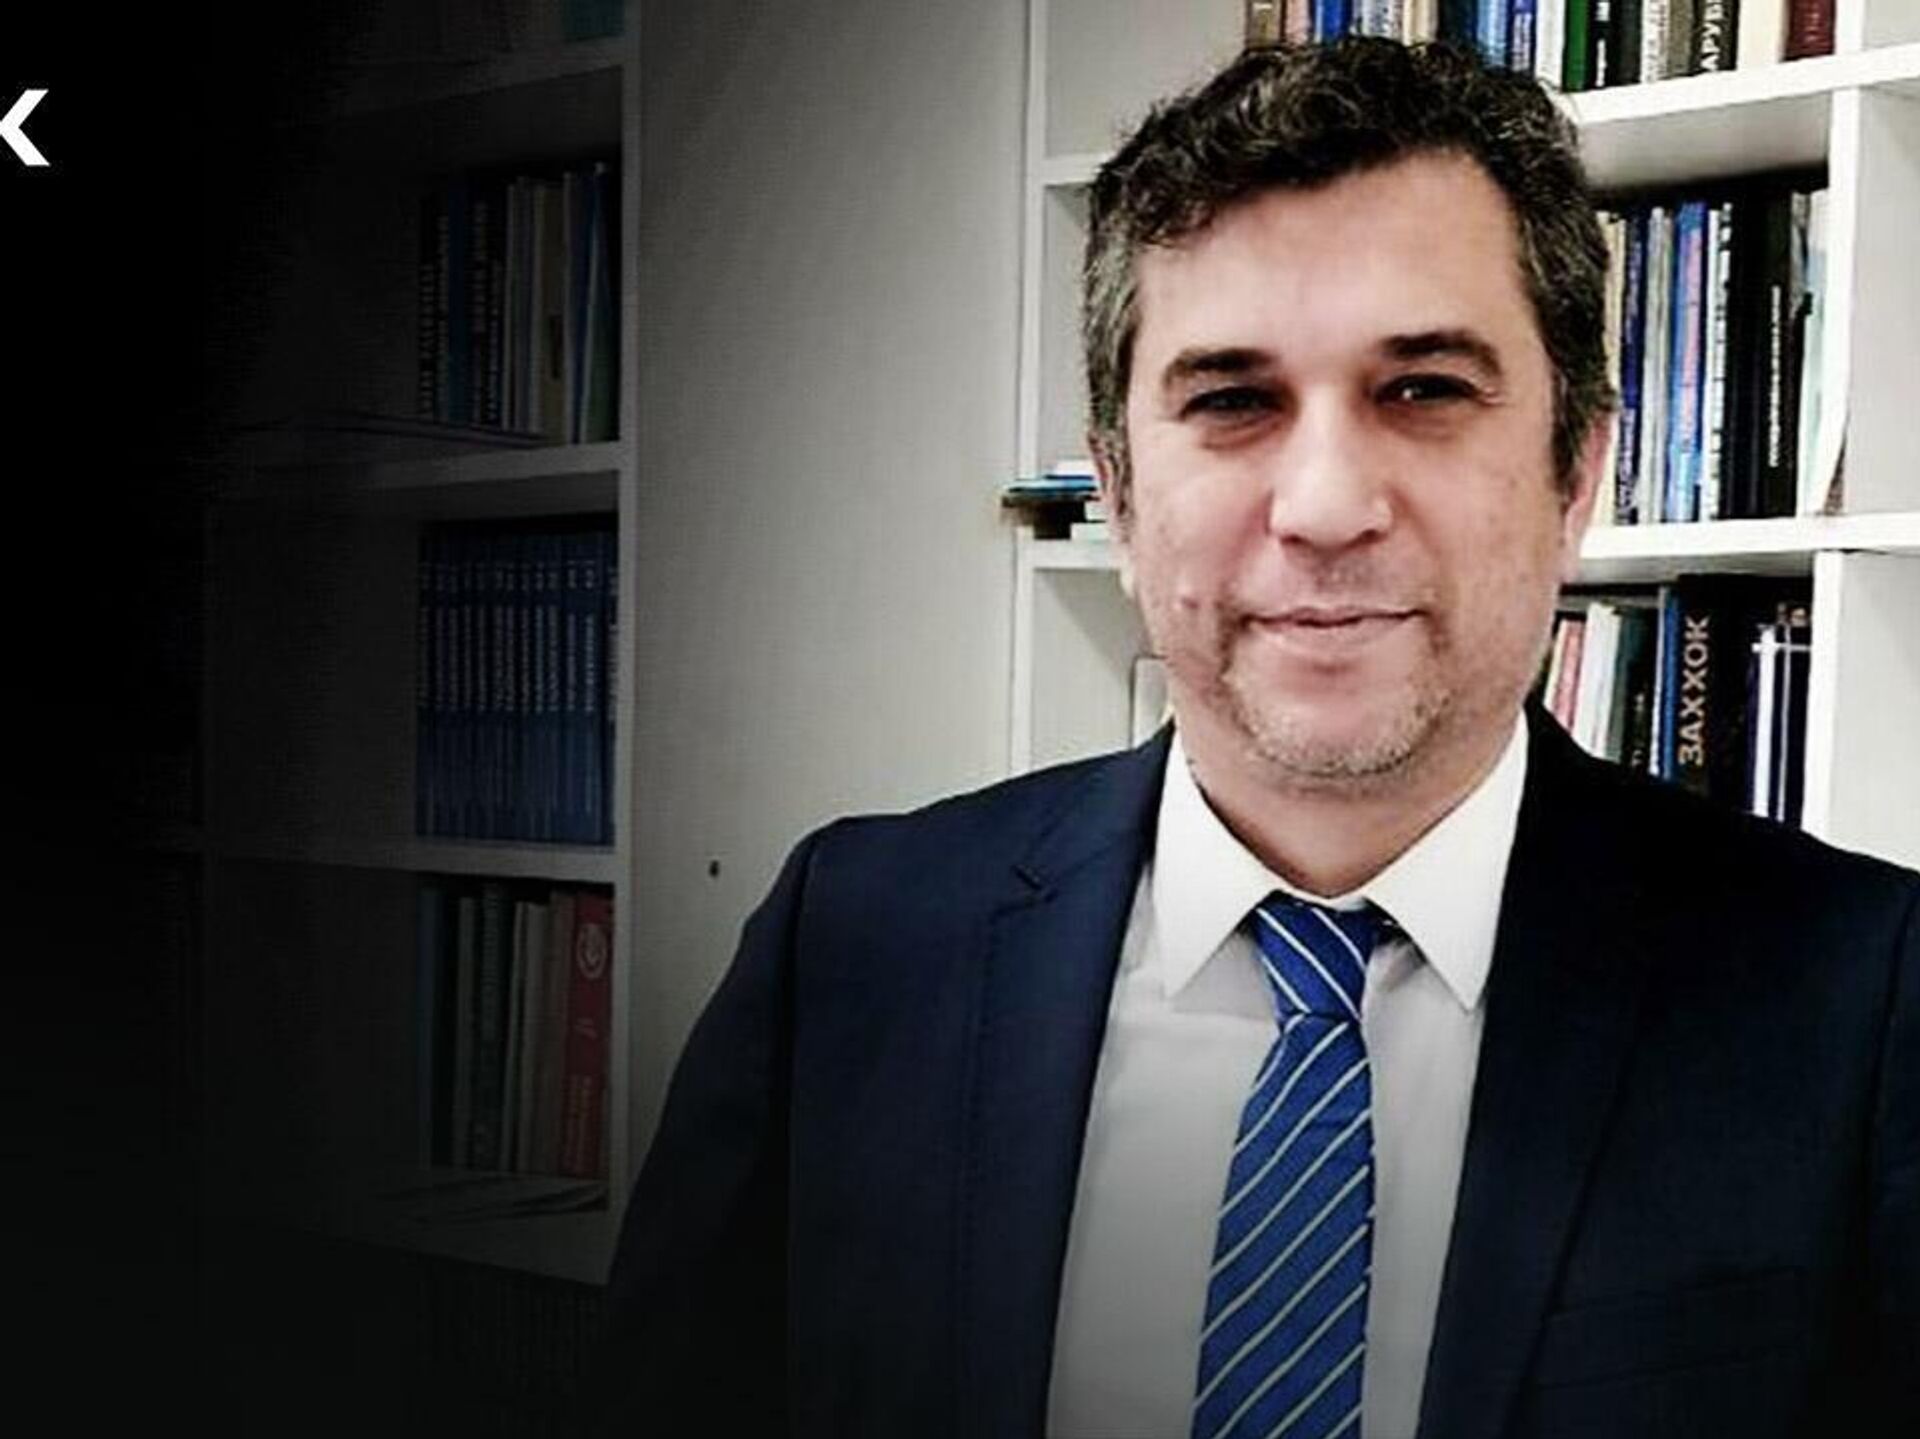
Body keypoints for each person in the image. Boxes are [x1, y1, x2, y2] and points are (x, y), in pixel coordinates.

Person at [583, 37, 1918, 1439]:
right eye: (1232, 401)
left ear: (1576, 475)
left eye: (1425, 389)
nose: (1326, 507)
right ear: (1117, 493)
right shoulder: (850, 942)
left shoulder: (1858, 1002)